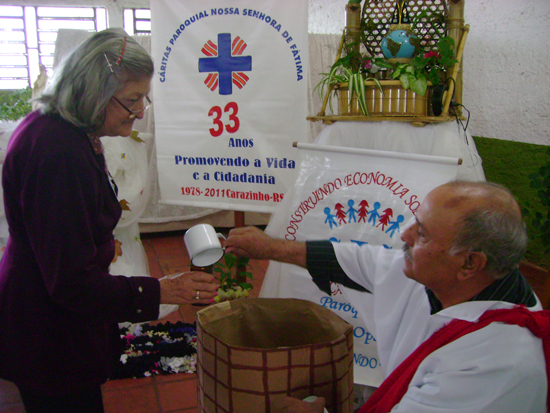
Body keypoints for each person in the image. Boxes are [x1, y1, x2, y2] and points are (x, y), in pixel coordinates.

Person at [0, 29, 218, 413]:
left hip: (50, 317)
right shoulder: (58, 153)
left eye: (144, 98)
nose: (140, 111)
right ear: (92, 91)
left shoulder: (65, 130)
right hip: (47, 334)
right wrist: (160, 290)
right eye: (132, 100)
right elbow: (70, 284)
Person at [224, 181, 549, 413]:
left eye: (422, 233)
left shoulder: (494, 364)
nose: (405, 235)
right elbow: (354, 260)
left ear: (469, 263)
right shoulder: (444, 279)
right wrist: (270, 248)